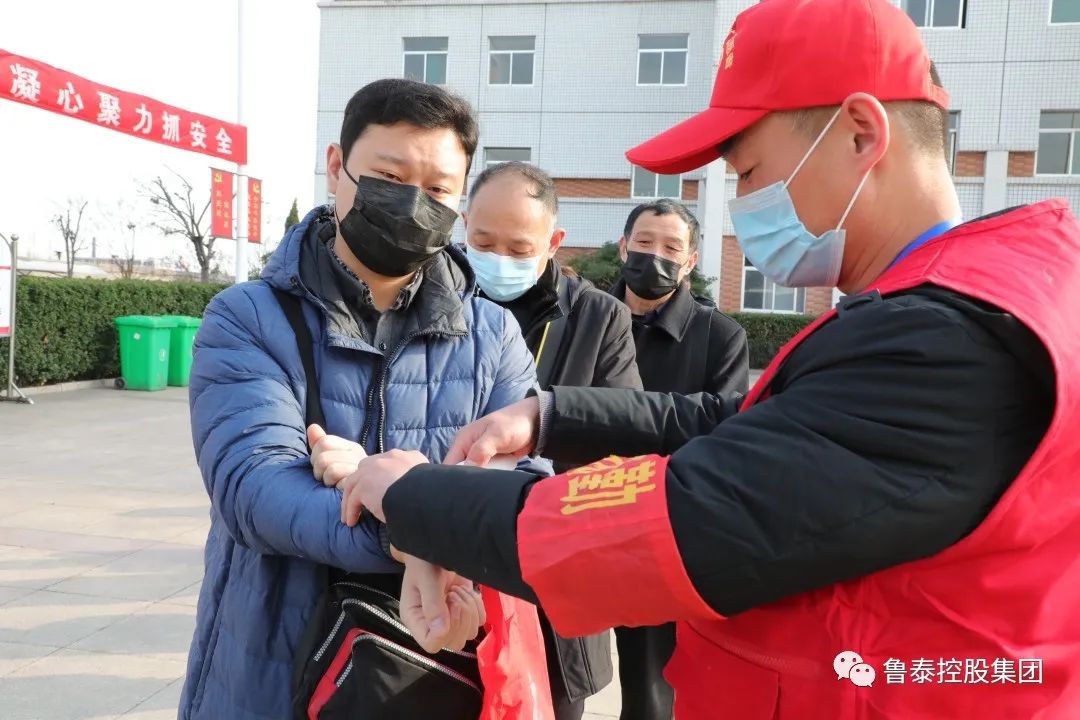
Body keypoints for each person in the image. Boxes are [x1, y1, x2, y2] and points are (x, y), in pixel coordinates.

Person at [340, 0, 1080, 717]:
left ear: (861, 134)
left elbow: (688, 520)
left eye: (750, 172)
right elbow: (744, 419)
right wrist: (550, 415)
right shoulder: (984, 292)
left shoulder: (952, 337)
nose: (743, 201)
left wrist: (413, 494)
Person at [179, 78, 542, 720]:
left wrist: (392, 489)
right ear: (335, 166)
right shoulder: (248, 318)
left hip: (431, 665)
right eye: (389, 176)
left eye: (437, 190)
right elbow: (253, 489)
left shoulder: (494, 335)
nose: (412, 203)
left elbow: (528, 491)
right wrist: (416, 530)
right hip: (272, 662)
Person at [463, 160, 641, 720]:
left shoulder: (598, 318)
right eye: (482, 242)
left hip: (552, 578)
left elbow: (624, 436)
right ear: (463, 225)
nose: (498, 258)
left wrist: (538, 447)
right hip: (450, 570)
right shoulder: (436, 298)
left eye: (519, 248)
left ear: (553, 242)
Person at [608, 199, 748, 719]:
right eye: (644, 243)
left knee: (650, 687)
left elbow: (721, 438)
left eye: (671, 248)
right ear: (623, 247)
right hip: (571, 509)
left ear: (689, 262)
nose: (655, 256)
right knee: (561, 674)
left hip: (657, 528)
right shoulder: (584, 316)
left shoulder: (719, 336)